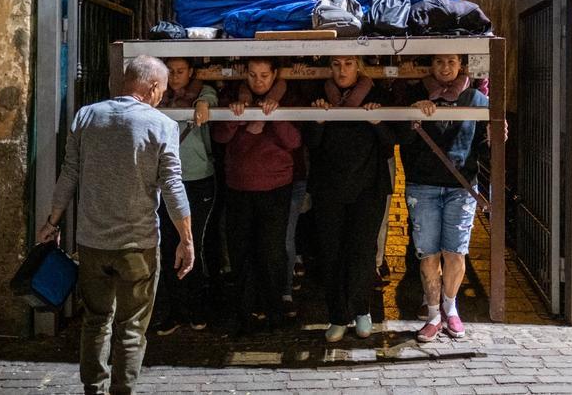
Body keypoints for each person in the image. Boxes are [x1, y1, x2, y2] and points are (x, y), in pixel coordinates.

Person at [38, 55, 193, 395]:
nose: (162, 98)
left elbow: (69, 174)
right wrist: (186, 239)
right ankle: (123, 391)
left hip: (92, 244)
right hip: (138, 246)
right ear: (153, 87)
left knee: (95, 321)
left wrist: (52, 221)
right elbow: (172, 186)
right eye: (163, 91)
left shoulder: (87, 116)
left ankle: (93, 388)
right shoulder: (163, 125)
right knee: (132, 327)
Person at [395, 54, 492, 343]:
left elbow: (484, 149)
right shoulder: (416, 94)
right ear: (431, 65)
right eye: (439, 62)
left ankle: (451, 309)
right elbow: (402, 141)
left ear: (461, 65)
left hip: (460, 187)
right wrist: (412, 116)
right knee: (428, 253)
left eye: (451, 62)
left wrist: (498, 137)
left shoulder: (476, 99)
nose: (445, 68)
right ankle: (434, 314)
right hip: (422, 185)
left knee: (456, 252)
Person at [307, 56, 394, 342]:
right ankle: (337, 316)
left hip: (368, 186)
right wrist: (317, 122)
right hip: (329, 186)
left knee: (362, 251)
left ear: (358, 66)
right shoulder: (318, 95)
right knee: (331, 252)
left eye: (348, 64)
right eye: (336, 64)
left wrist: (378, 121)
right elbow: (310, 143)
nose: (342, 70)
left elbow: (390, 143)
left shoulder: (377, 94)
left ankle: (362, 311)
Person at [211, 57, 301, 333]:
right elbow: (220, 136)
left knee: (271, 252)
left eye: (264, 75)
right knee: (241, 252)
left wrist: (272, 117)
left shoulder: (288, 99)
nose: (258, 81)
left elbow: (294, 142)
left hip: (275, 188)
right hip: (238, 187)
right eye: (252, 75)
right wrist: (239, 118)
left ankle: (274, 311)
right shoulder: (233, 98)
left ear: (275, 74)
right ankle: (244, 313)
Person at [153, 57, 218, 335]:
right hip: (166, 181)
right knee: (169, 244)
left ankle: (198, 307)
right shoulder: (156, 98)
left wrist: (203, 103)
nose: (176, 76)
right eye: (172, 71)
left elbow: (211, 97)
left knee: (196, 244)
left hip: (197, 179)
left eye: (181, 71)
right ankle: (176, 310)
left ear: (191, 72)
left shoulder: (202, 95)